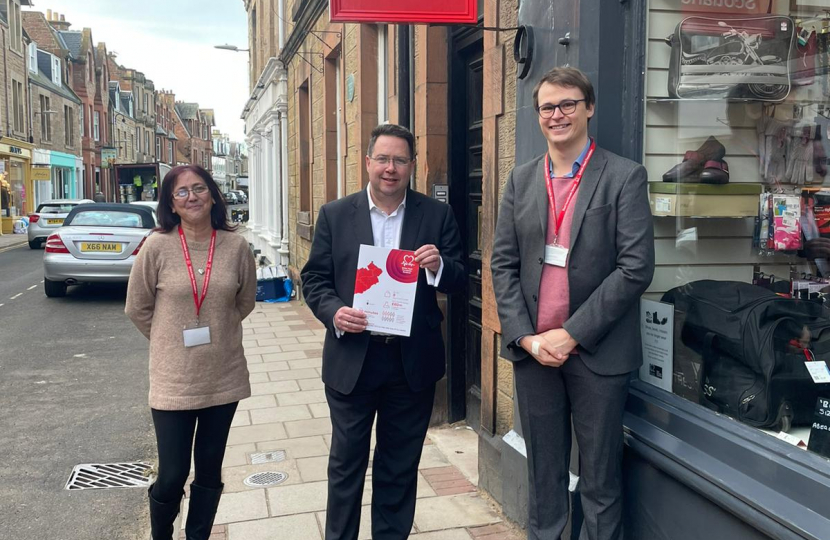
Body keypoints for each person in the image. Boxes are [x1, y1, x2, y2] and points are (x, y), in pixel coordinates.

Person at [491, 67, 655, 540]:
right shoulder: (521, 181)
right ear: (538, 115)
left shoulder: (623, 176)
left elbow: (635, 268)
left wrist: (572, 333)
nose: (557, 114)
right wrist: (525, 336)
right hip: (535, 354)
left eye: (567, 104)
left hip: (597, 355)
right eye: (547, 106)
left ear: (589, 108)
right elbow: (503, 265)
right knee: (544, 478)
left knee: (600, 481)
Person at [301, 123, 465, 540]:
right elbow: (315, 279)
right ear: (368, 163)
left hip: (411, 363)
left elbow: (461, 277)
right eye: (383, 159)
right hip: (353, 358)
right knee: (346, 464)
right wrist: (335, 312)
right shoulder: (335, 215)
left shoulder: (437, 214)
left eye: (400, 160)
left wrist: (438, 266)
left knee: (398, 466)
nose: (390, 168)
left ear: (412, 166)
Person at [125, 164, 257, 540]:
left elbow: (244, 301)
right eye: (181, 192)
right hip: (173, 381)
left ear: (213, 194)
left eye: (199, 188)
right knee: (172, 473)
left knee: (210, 469)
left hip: (223, 375)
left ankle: (198, 535)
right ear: (171, 202)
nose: (192, 197)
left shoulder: (235, 246)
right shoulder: (157, 246)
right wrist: (168, 342)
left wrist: (218, 333)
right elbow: (137, 307)